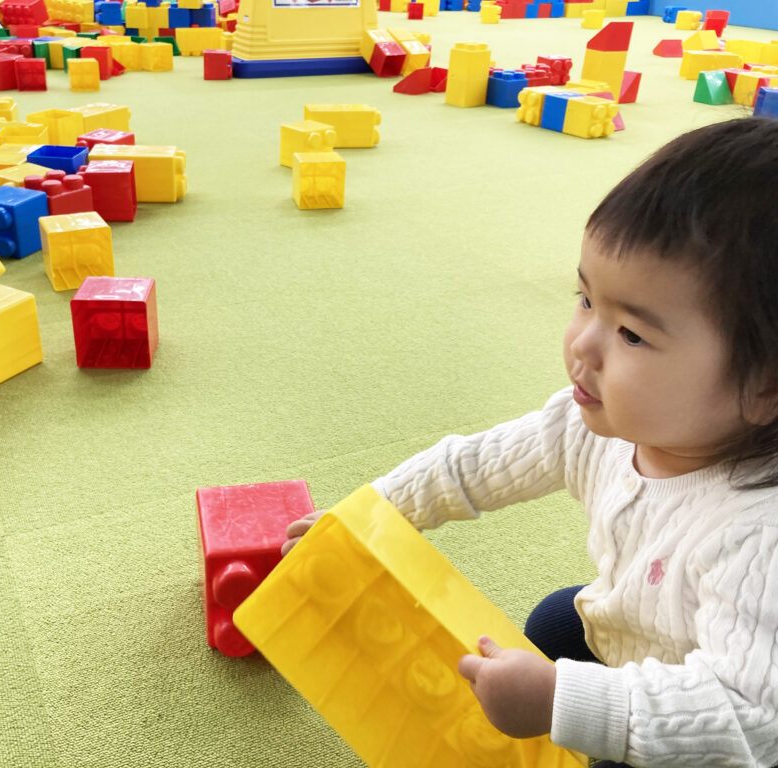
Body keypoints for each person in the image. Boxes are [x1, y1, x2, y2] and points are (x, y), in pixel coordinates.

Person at [282, 117, 778, 768]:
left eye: (631, 334)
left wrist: (562, 704)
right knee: (554, 622)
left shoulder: (757, 536)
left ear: (764, 388)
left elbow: (747, 719)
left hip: (723, 717)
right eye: (585, 299)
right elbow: (470, 468)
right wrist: (362, 520)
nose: (582, 343)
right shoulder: (591, 425)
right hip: (641, 632)